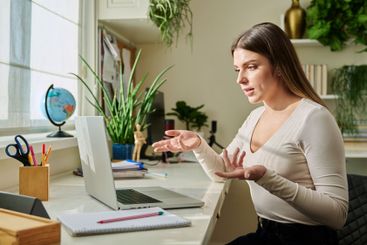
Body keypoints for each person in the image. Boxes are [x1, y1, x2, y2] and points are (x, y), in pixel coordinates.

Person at [152, 22, 348, 245]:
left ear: (280, 66)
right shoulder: (255, 117)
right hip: (266, 234)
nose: (240, 79)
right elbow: (222, 171)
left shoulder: (314, 118)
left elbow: (337, 215)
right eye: (237, 69)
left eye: (251, 67)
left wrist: (266, 177)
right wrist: (198, 145)